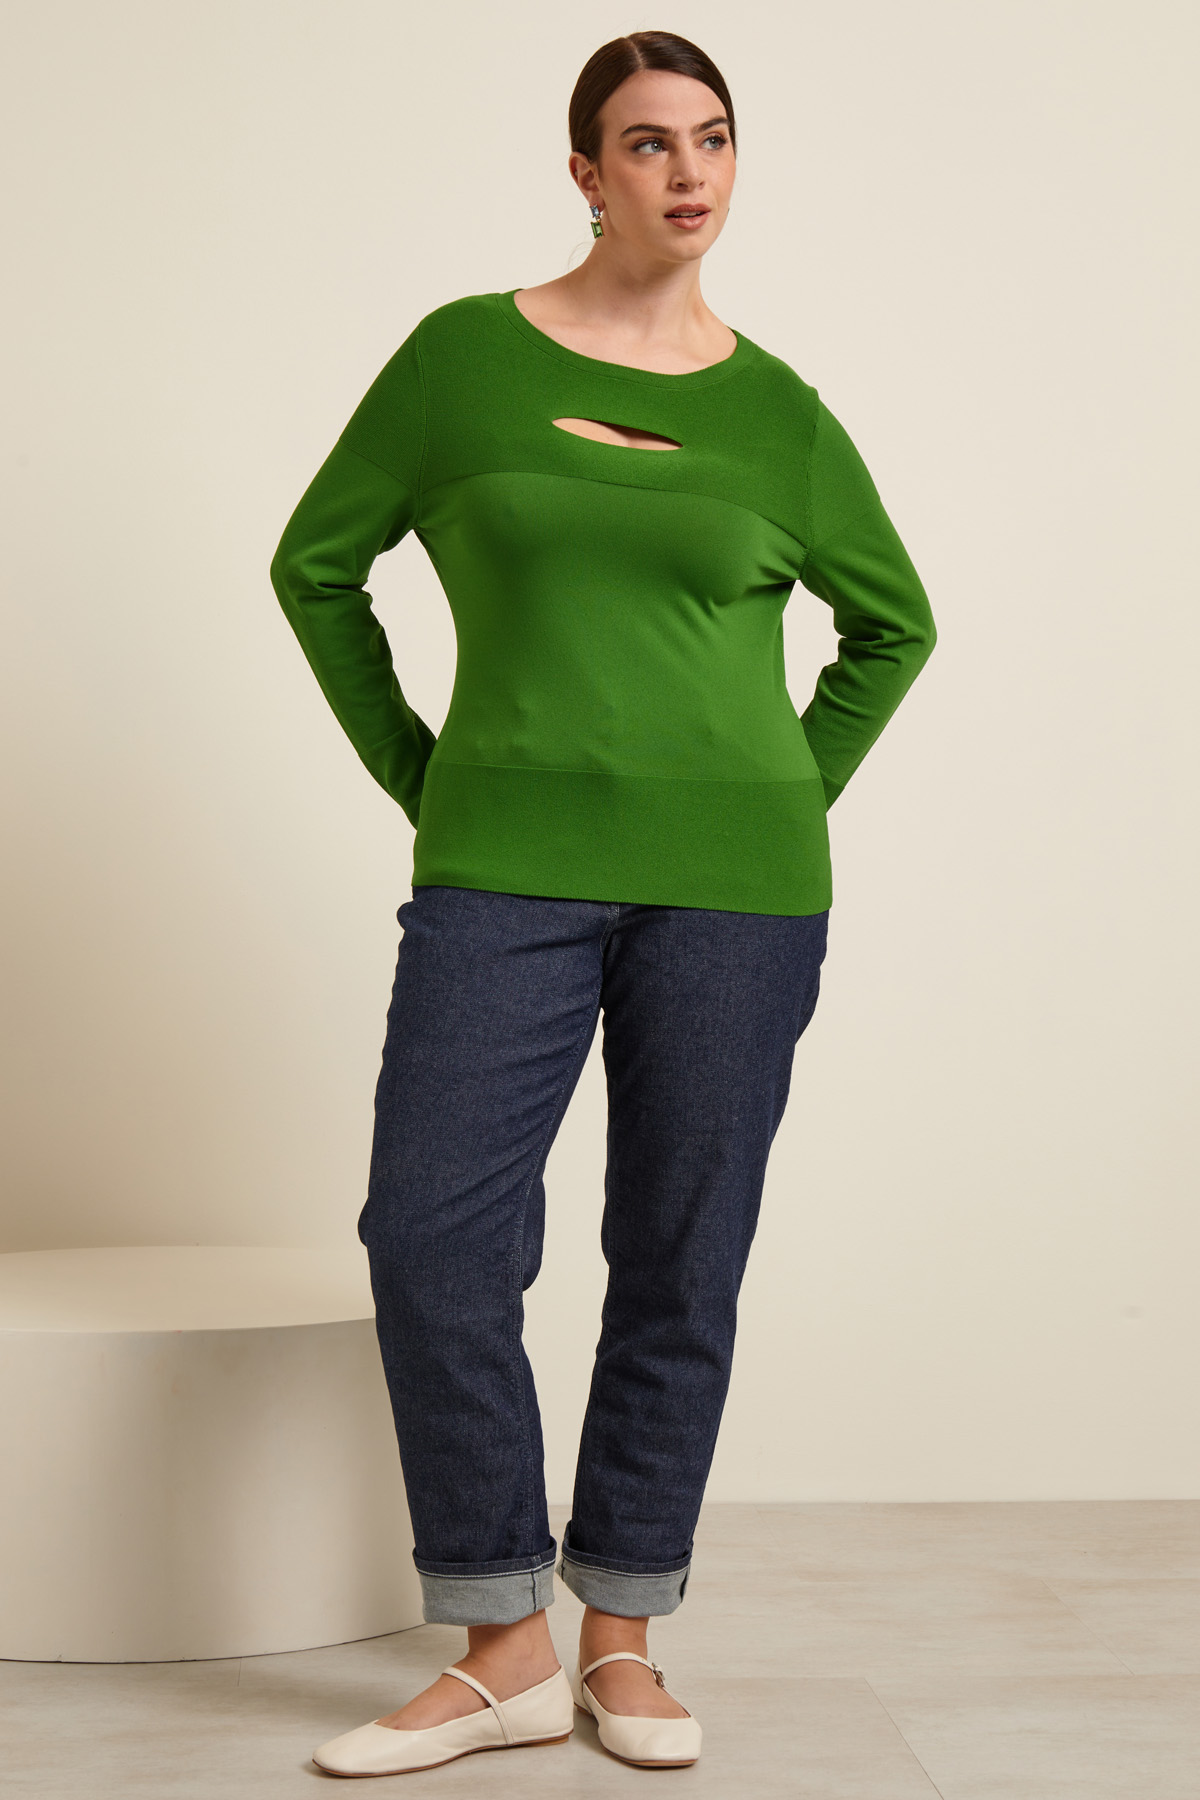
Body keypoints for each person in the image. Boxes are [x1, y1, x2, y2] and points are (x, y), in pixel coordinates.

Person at [269, 28, 936, 1779]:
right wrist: (428, 776)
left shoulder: (781, 412)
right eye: (647, 142)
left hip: (741, 898)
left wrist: (779, 793)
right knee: (431, 1233)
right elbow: (314, 566)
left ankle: (623, 1635)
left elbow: (896, 625)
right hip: (506, 873)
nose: (687, 171)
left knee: (679, 1256)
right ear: (585, 170)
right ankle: (503, 1645)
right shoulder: (460, 363)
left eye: (712, 138)